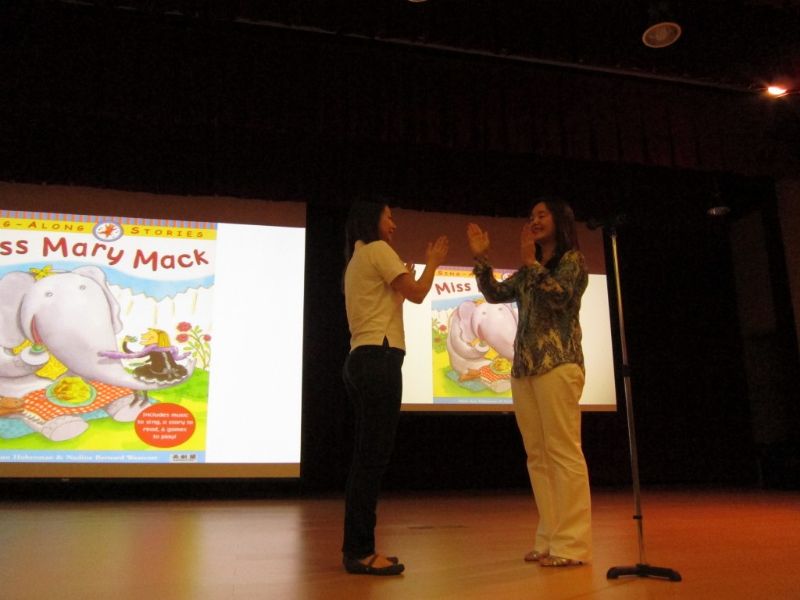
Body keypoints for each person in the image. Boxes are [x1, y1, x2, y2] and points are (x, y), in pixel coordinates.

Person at [467, 198, 591, 567]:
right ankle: (550, 537)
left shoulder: (573, 261)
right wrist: (481, 258)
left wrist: (532, 264)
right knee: (537, 456)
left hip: (558, 364)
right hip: (525, 369)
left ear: (560, 220)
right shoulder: (527, 270)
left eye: (541, 215)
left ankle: (572, 545)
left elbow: (560, 297)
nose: (534, 221)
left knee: (563, 453)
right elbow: (494, 294)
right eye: (531, 216)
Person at [341, 200, 449, 576]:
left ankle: (356, 549)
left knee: (366, 458)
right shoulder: (378, 250)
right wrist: (433, 262)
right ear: (372, 219)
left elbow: (391, 301)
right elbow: (418, 293)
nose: (394, 224)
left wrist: (402, 284)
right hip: (379, 359)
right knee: (371, 460)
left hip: (361, 359)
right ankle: (360, 551)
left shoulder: (358, 259)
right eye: (389, 217)